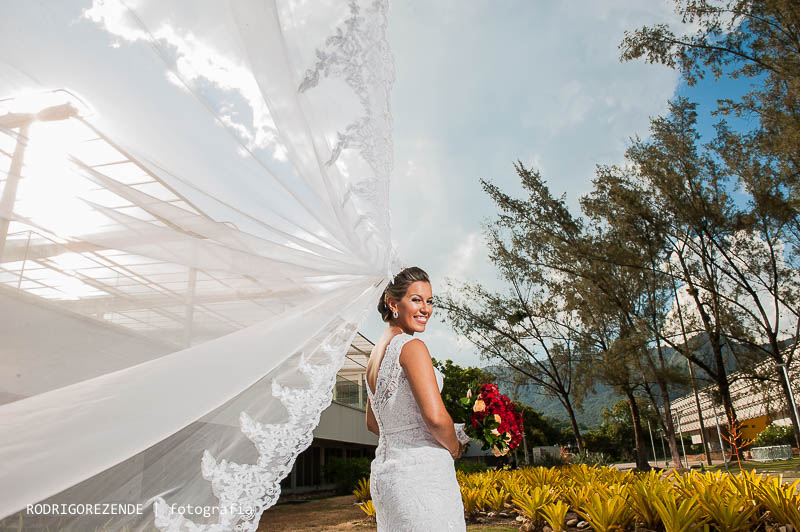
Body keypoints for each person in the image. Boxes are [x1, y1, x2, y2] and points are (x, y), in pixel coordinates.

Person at [365, 266, 469, 531]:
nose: (426, 309)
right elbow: (435, 418)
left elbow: (374, 424)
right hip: (422, 476)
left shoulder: (374, 357)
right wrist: (455, 446)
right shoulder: (412, 347)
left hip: (388, 477)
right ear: (393, 303)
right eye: (416, 300)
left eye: (430, 301)